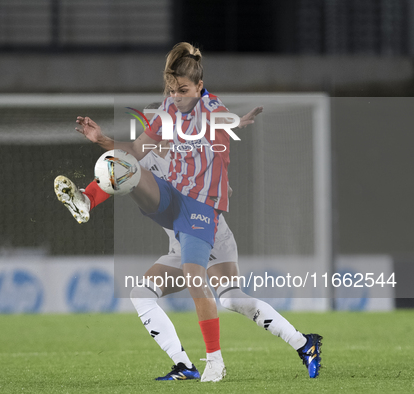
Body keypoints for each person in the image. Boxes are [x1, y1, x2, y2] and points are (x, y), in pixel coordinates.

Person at [61, 42, 321, 381]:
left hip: (212, 237)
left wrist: (231, 135)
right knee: (142, 293)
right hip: (179, 241)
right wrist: (101, 142)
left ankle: (302, 344)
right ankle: (185, 364)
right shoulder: (155, 154)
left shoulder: (200, 133)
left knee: (232, 300)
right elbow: (127, 161)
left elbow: (215, 134)